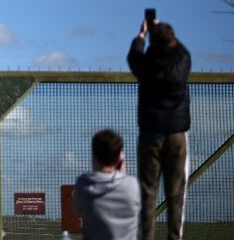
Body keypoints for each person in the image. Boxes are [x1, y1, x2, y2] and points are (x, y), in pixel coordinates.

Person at [126, 19, 191, 240]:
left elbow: (133, 56)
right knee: (175, 194)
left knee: (148, 192)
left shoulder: (146, 65)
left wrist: (142, 36)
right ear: (172, 41)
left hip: (150, 133)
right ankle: (174, 237)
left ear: (153, 42)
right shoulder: (182, 62)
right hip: (176, 133)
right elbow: (181, 49)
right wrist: (165, 34)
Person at [74, 129, 140, 240]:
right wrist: (121, 170)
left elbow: (77, 209)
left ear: (93, 156)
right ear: (119, 157)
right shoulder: (132, 186)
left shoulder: (83, 184)